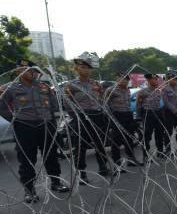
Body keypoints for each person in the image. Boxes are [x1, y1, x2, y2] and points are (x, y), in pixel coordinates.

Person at [0, 60, 71, 202]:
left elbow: (55, 106)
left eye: (34, 70)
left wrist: (52, 114)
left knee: (51, 155)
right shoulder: (11, 89)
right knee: (27, 159)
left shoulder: (44, 87)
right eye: (28, 70)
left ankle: (55, 182)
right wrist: (14, 119)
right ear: (19, 71)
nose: (32, 73)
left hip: (46, 125)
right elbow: (1, 106)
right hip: (24, 127)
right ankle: (29, 190)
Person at [65, 56, 110, 183]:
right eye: (82, 67)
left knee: (100, 143)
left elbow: (101, 99)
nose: (86, 70)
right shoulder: (71, 85)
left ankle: (103, 167)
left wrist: (102, 110)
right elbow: (67, 104)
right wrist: (76, 116)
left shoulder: (95, 84)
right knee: (80, 146)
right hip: (81, 117)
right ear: (76, 68)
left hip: (96, 116)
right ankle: (82, 173)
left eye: (88, 68)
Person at [104, 72, 141, 172]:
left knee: (129, 138)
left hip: (128, 115)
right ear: (117, 79)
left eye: (126, 79)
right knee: (116, 141)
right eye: (121, 78)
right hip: (117, 116)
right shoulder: (110, 90)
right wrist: (111, 117)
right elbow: (105, 105)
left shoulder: (127, 90)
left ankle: (131, 160)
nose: (123, 80)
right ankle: (117, 164)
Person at [137, 73, 166, 160]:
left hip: (157, 113)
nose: (156, 81)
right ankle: (145, 154)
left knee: (160, 134)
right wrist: (139, 116)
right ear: (149, 80)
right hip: (147, 114)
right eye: (154, 79)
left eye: (156, 79)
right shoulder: (142, 92)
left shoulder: (159, 91)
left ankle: (160, 152)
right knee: (147, 135)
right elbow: (139, 105)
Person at [162, 72, 177, 153]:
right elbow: (166, 102)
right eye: (171, 79)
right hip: (169, 113)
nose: (173, 81)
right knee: (168, 131)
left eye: (175, 79)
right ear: (168, 80)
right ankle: (167, 148)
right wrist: (174, 110)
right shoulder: (165, 89)